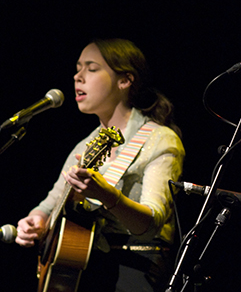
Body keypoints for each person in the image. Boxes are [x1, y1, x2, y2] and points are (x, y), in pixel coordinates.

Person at [15, 39, 185, 292]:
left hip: (137, 267)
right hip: (85, 269)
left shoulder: (159, 139)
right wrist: (34, 221)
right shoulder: (86, 145)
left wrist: (104, 193)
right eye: (77, 67)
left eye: (91, 68)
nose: (77, 76)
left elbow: (150, 222)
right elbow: (50, 203)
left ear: (125, 80)